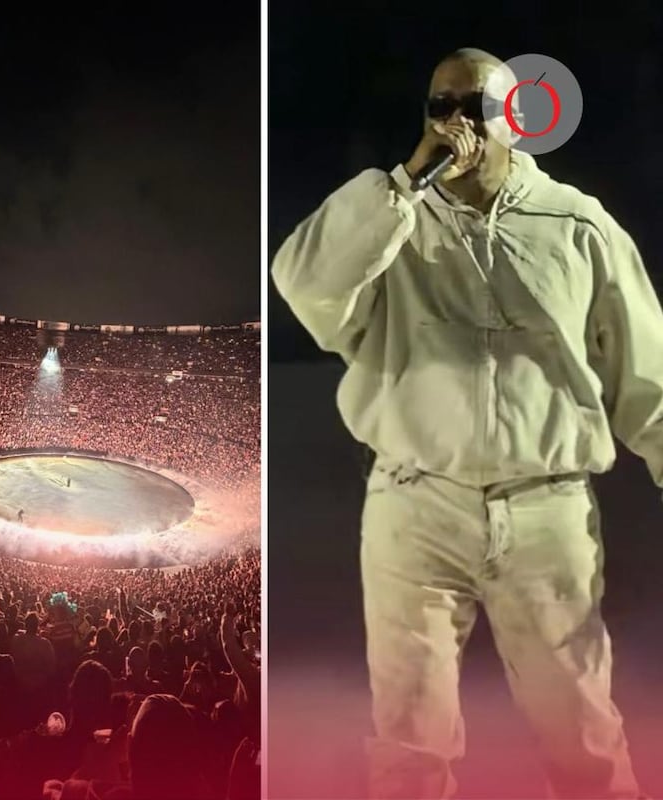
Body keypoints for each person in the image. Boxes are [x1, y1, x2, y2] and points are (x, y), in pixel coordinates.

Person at [271, 47, 653, 799]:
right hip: (417, 504)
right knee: (409, 749)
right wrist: (404, 184)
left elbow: (649, 370)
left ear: (516, 119)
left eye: (472, 106)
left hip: (545, 508)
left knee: (583, 735)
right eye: (438, 106)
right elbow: (303, 283)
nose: (453, 123)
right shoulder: (391, 222)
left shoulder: (577, 225)